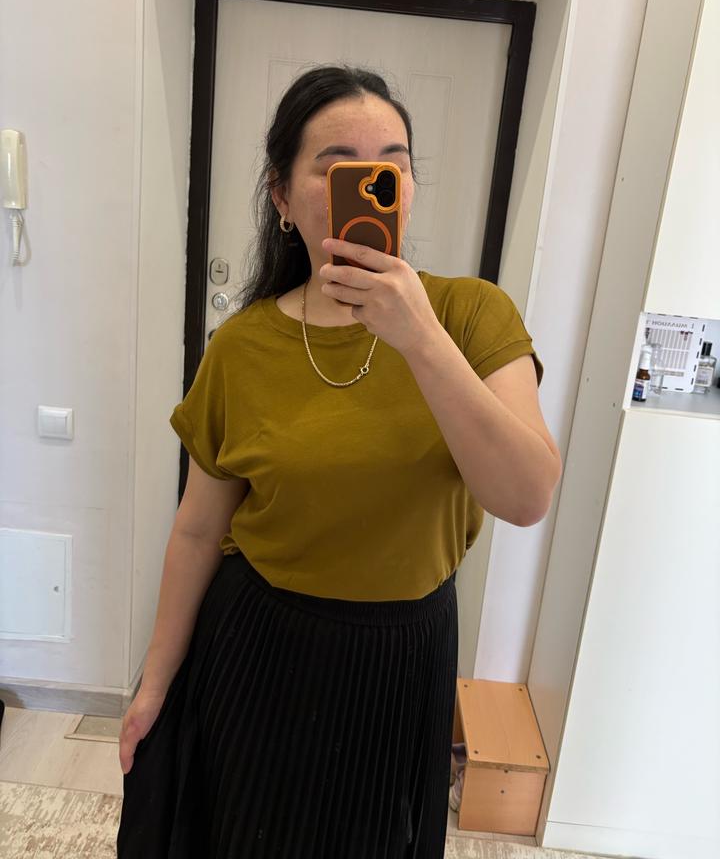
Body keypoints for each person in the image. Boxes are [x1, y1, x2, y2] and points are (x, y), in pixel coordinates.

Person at [115, 65, 562, 858]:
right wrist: (154, 685)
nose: (373, 181)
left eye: (393, 164)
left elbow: (526, 495)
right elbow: (197, 532)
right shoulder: (243, 346)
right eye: (337, 165)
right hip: (260, 644)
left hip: (403, 659)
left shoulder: (470, 316)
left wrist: (419, 338)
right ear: (282, 197)